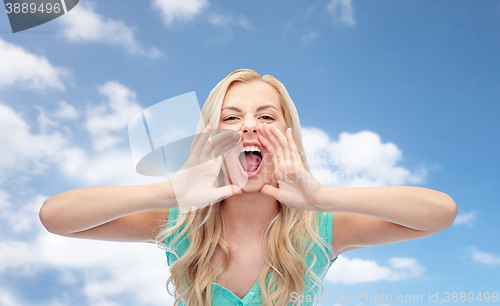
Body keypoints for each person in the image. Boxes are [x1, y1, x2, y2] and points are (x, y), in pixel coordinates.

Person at [39, 69, 458, 306]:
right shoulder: (176, 225)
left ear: (289, 139)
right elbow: (56, 218)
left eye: (267, 117)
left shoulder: (321, 231)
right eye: (232, 117)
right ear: (210, 139)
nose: (250, 126)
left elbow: (440, 213)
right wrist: (168, 192)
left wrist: (323, 196)